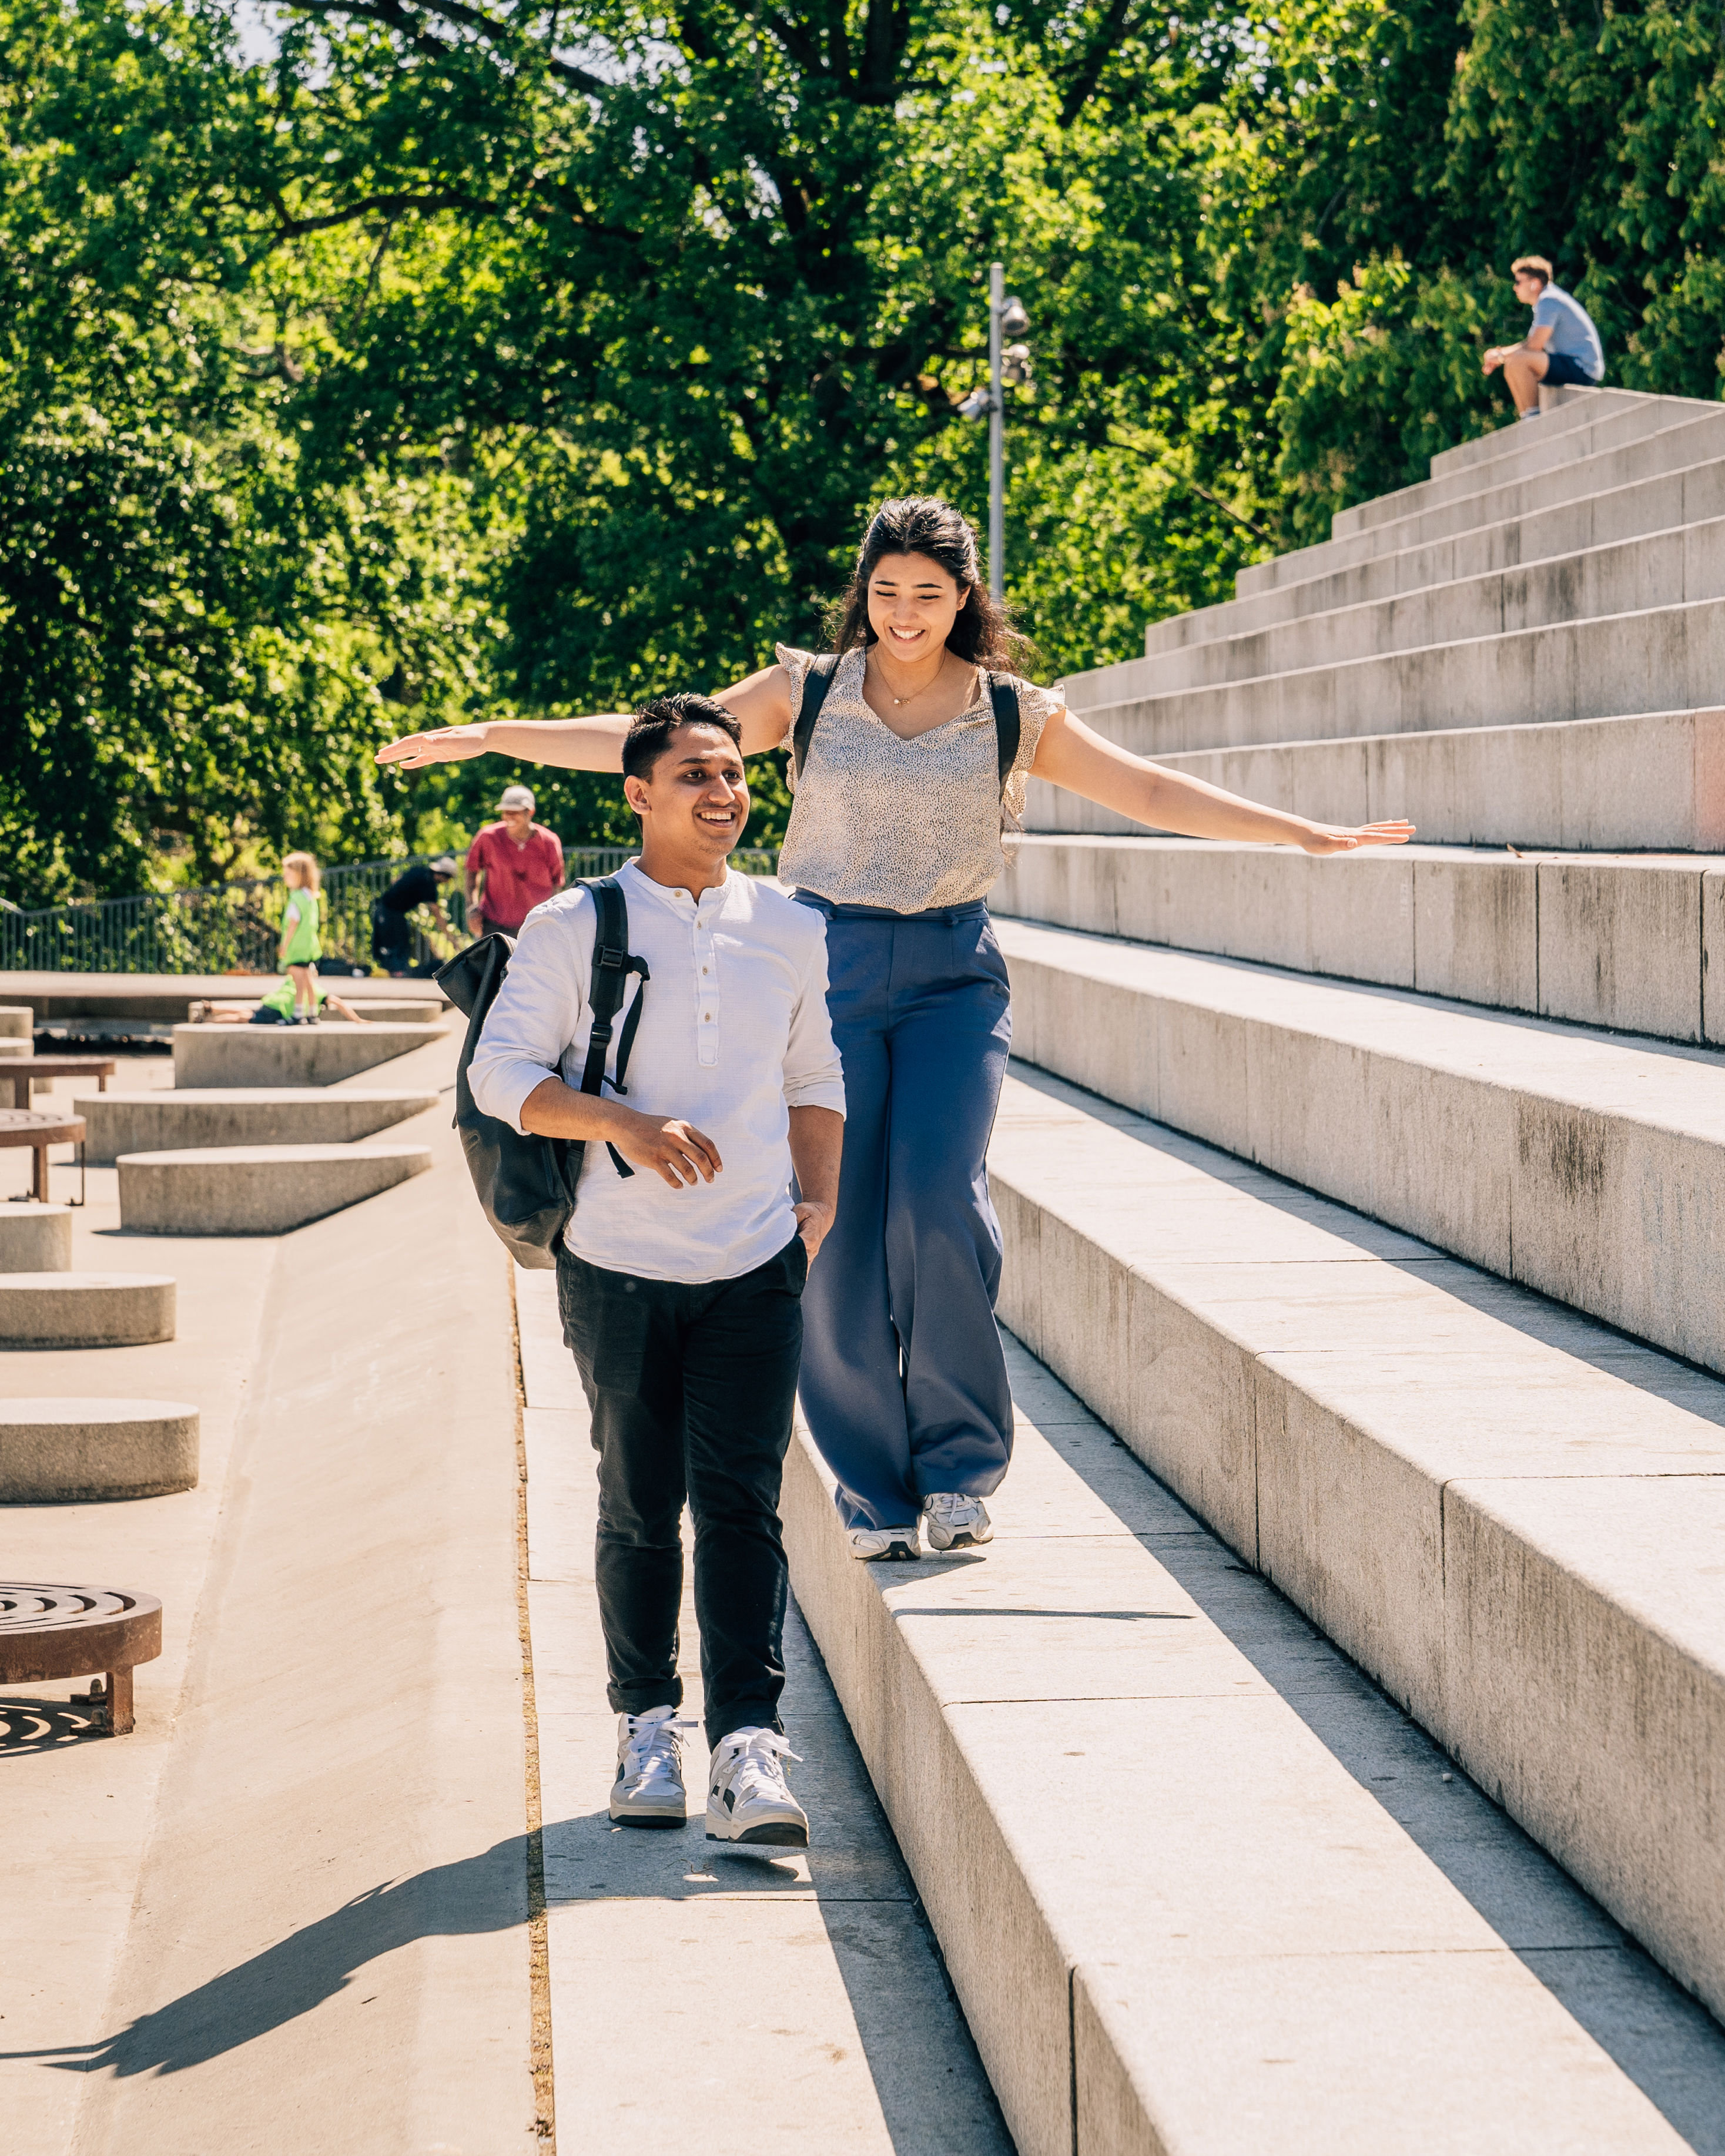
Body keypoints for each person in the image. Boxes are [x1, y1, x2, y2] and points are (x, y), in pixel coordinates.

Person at [379, 495, 1413, 1565]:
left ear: (964, 597)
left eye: (926, 593)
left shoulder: (1011, 711)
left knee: (938, 1200)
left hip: (950, 980)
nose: (904, 613)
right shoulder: (808, 690)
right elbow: (647, 740)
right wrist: (493, 735)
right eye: (884, 592)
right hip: (819, 970)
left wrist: (1296, 832)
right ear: (862, 595)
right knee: (829, 1222)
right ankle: (871, 1483)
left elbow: (1144, 787)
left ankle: (959, 1467)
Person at [468, 694, 845, 1847]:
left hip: (755, 1261)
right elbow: (499, 1072)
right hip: (617, 1265)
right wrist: (621, 1123)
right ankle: (645, 1728)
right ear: (637, 793)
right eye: (694, 774)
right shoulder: (575, 922)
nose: (722, 793)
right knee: (639, 1502)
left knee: (743, 1505)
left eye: (733, 773)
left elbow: (814, 1075)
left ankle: (747, 1747)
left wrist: (819, 1202)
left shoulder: (790, 923)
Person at [1484, 256, 1605, 418]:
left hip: (1582, 369)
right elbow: (1529, 344)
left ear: (1535, 283)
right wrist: (1502, 355)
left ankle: (1534, 418)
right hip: (1573, 365)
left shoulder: (1549, 300)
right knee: (1513, 363)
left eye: (1519, 282)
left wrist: (1500, 355)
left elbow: (1534, 346)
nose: (1515, 287)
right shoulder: (1546, 300)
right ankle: (1527, 419)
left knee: (1519, 361)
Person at [465, 784, 564, 939]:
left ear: (530, 812)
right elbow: (472, 870)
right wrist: (472, 907)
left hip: (536, 925)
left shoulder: (549, 842)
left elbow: (557, 883)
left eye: (515, 812)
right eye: (506, 812)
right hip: (495, 923)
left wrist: (551, 919)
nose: (509, 817)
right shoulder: (488, 837)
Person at [371, 854, 458, 974]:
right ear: (443, 875)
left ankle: (394, 972)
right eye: (449, 879)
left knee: (399, 941)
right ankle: (396, 974)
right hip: (390, 911)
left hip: (388, 909)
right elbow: (437, 914)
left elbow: (395, 880)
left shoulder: (419, 870)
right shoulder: (429, 884)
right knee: (396, 945)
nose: (447, 882)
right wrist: (451, 939)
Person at [187, 979, 371, 1024]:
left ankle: (212, 1008)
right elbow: (340, 1004)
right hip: (280, 1011)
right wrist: (357, 1019)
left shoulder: (295, 978)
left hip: (272, 1002)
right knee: (243, 1018)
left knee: (248, 1012)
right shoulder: (316, 990)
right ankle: (207, 1022)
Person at [278, 852, 324, 1022]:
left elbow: (293, 923)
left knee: (298, 981)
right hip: (309, 946)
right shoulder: (311, 897)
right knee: (307, 979)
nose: (285, 877)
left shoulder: (296, 897)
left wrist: (284, 946)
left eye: (288, 874)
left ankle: (298, 1014)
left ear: (299, 875)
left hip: (297, 947)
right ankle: (312, 1012)